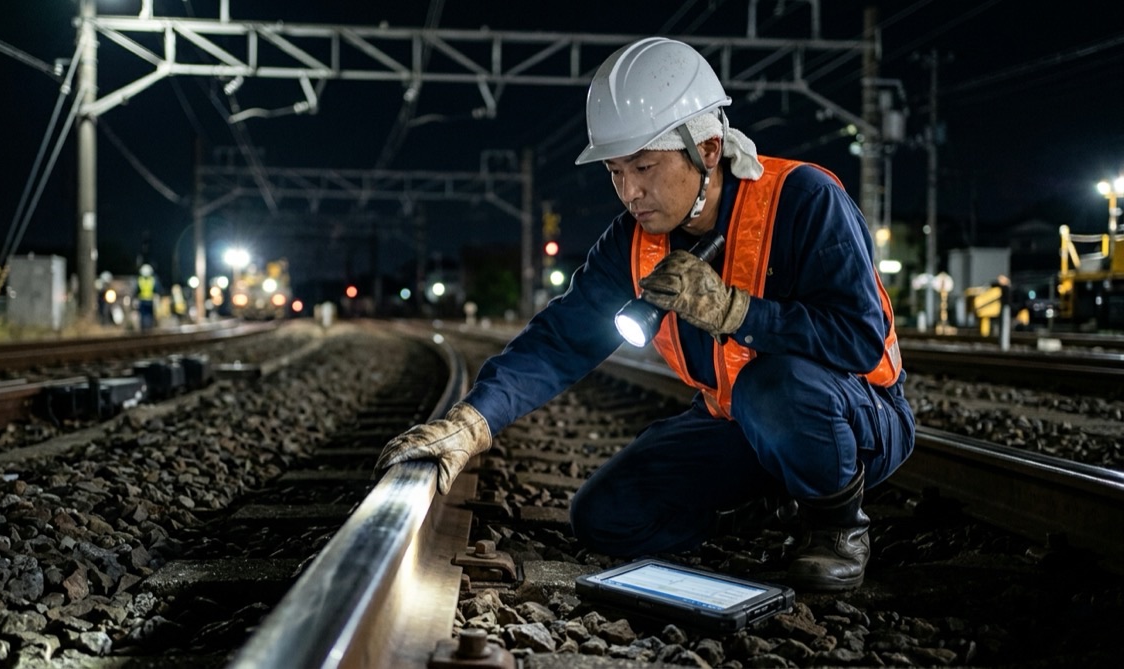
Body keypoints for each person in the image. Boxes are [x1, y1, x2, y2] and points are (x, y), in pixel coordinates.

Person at [376, 37, 915, 592]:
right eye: (615, 172)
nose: (630, 192)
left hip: (857, 417)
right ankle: (767, 509)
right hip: (740, 427)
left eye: (643, 166)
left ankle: (836, 529)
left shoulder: (805, 199)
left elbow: (860, 341)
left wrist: (736, 311)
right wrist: (473, 423)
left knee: (772, 385)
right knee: (606, 515)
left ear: (707, 149)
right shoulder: (633, 243)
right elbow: (563, 338)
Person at [136, 263, 161, 331]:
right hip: (148, 301)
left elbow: (136, 291)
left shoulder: (140, 280)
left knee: (145, 317)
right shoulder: (153, 280)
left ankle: (145, 329)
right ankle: (148, 329)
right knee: (148, 317)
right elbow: (157, 290)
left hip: (145, 301)